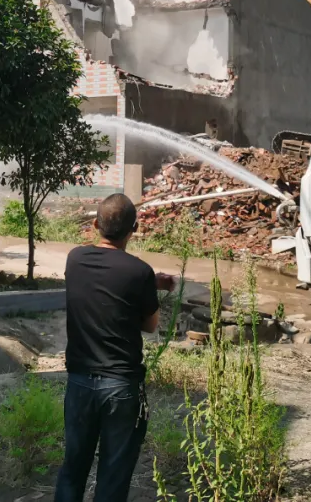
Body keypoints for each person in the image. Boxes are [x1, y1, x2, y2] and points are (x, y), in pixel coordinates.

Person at [54, 193, 177, 502]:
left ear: (95, 224)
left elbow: (102, 288)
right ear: (133, 229)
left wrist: (150, 283)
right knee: (113, 474)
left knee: (73, 469)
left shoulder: (75, 259)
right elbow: (149, 326)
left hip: (80, 383)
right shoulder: (139, 272)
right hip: (121, 388)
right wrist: (152, 286)